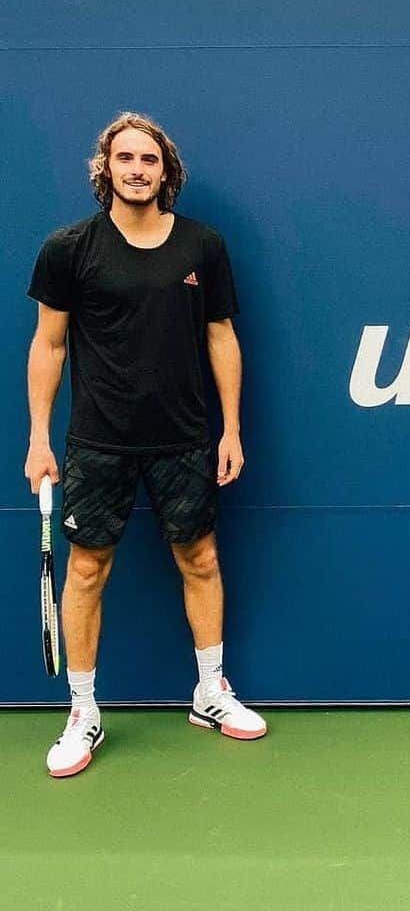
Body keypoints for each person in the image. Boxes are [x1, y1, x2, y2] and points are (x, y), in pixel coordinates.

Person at [24, 112, 266, 778]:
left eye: (149, 160)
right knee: (85, 570)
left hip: (184, 438)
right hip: (98, 440)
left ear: (167, 171)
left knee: (201, 559)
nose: (137, 170)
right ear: (107, 168)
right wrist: (38, 438)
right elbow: (47, 345)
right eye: (125, 158)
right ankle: (82, 713)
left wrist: (232, 429)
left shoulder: (201, 247)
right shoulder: (69, 249)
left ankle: (210, 693)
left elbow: (222, 336)